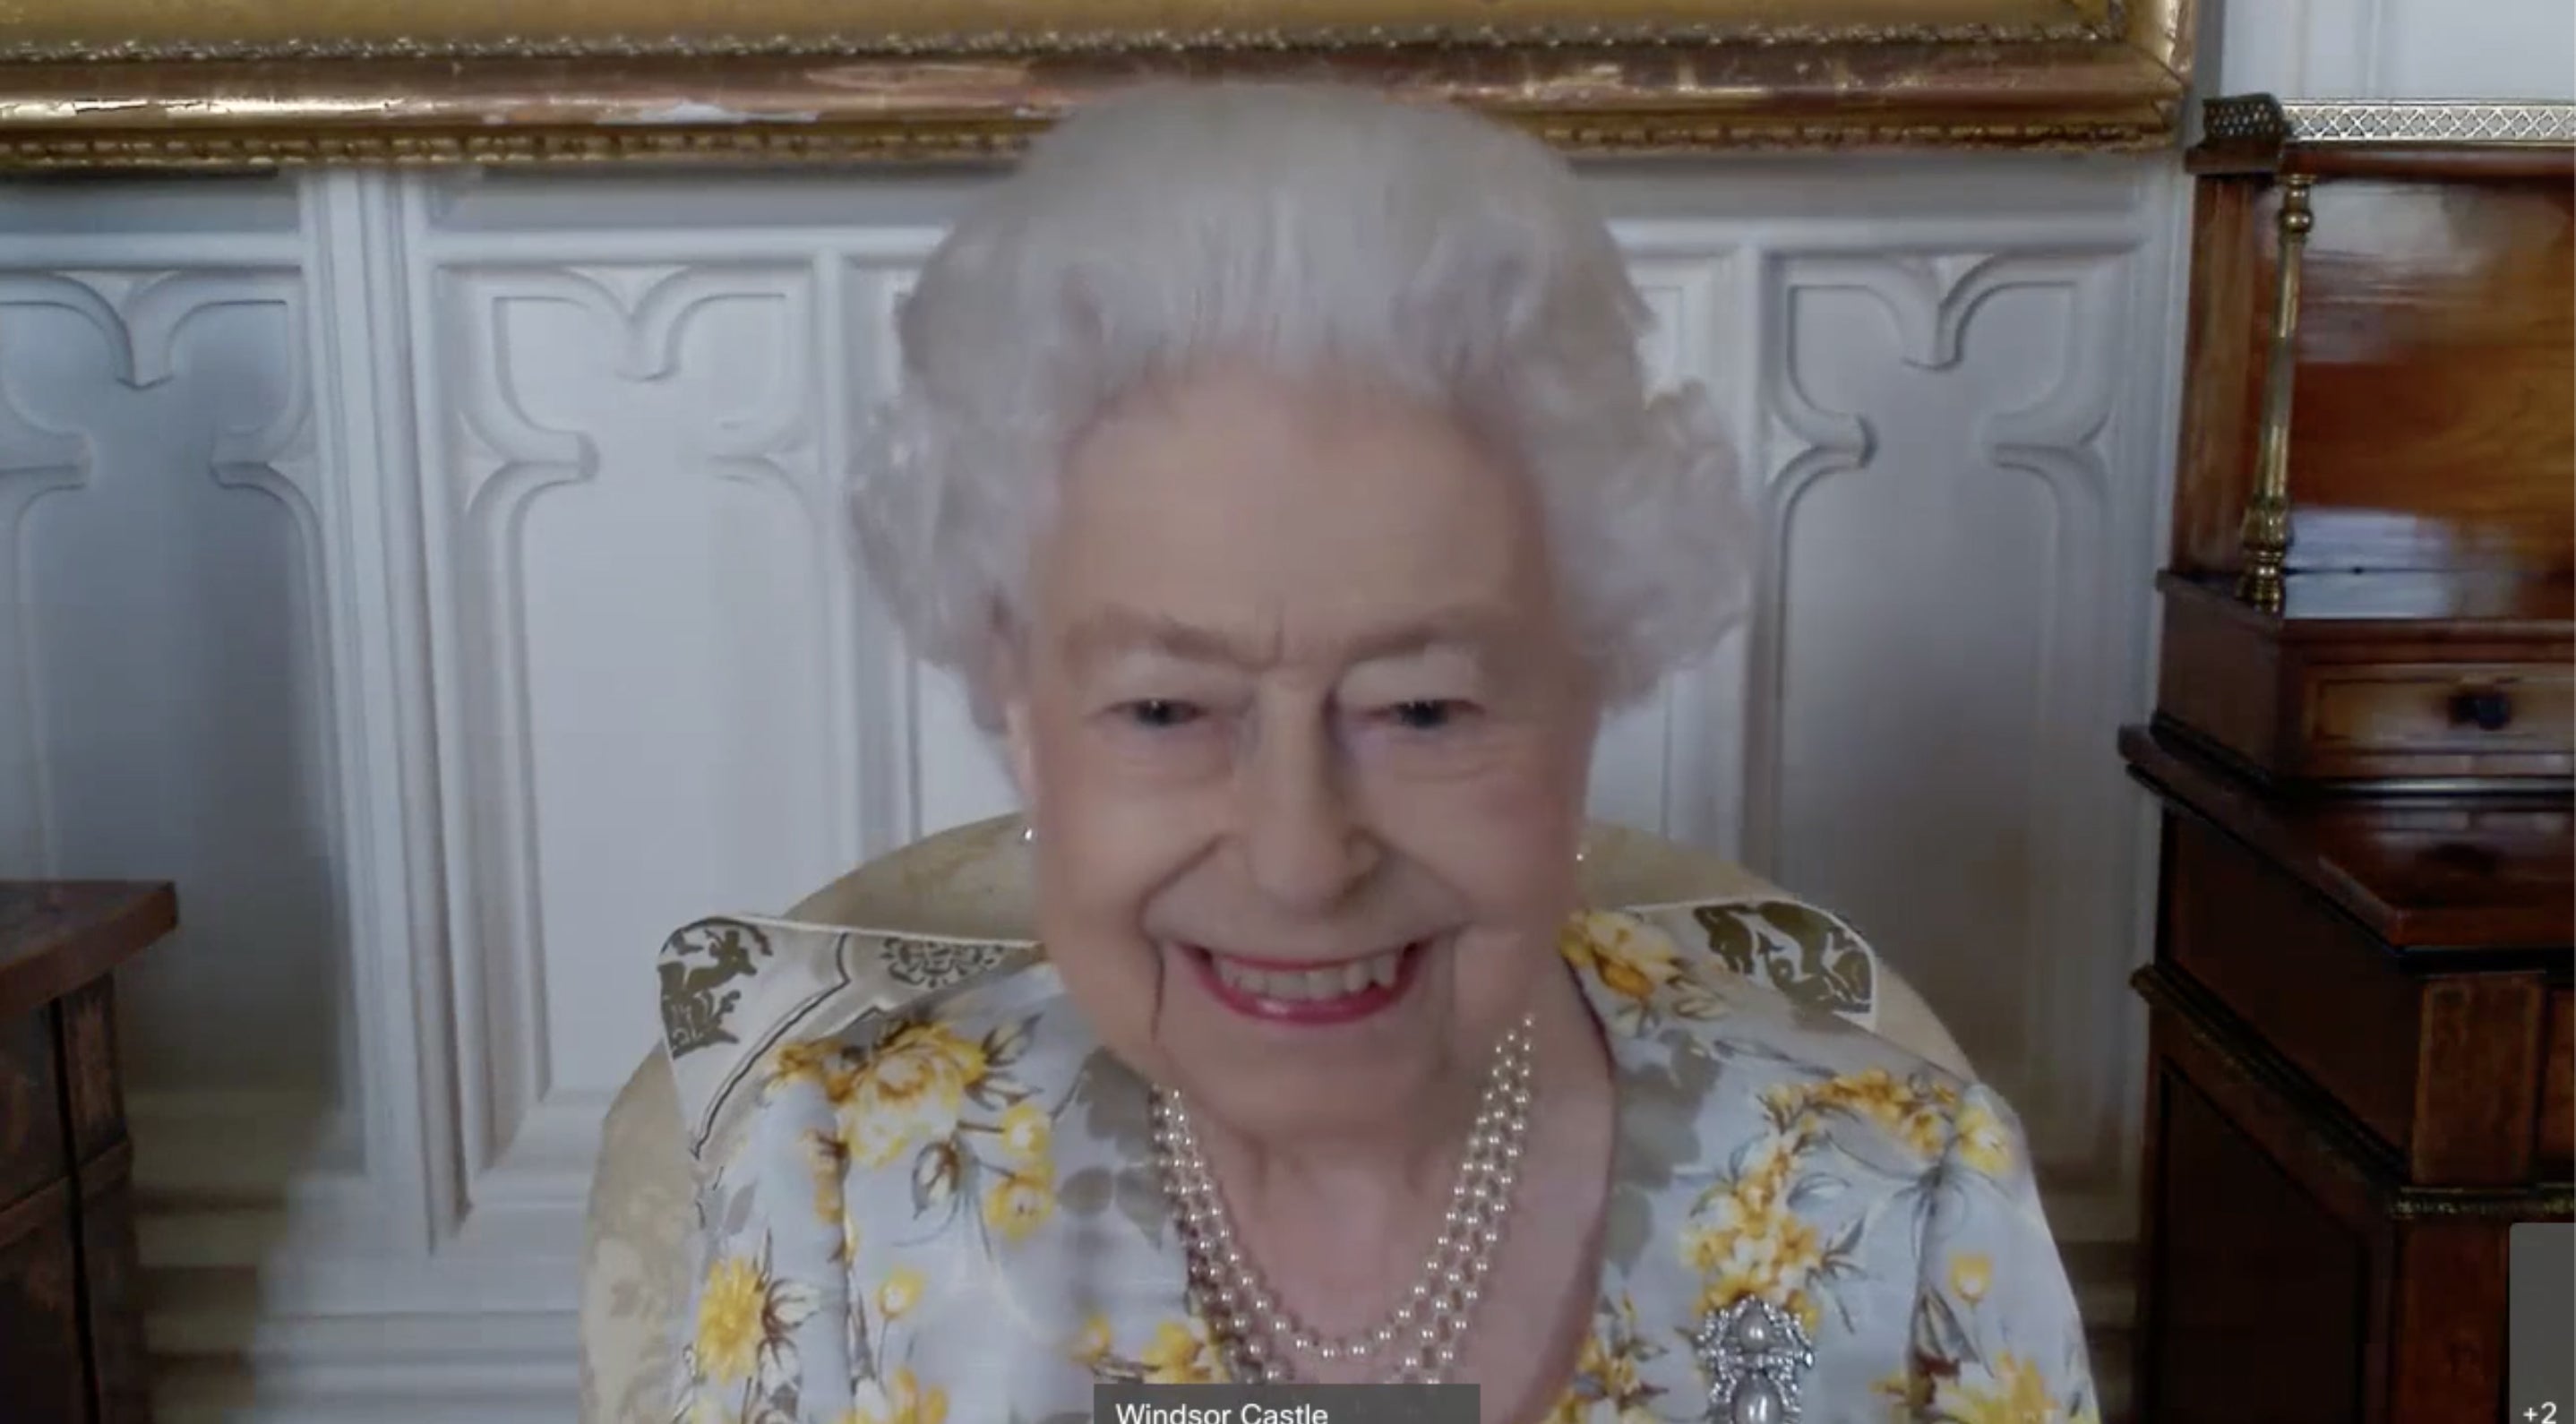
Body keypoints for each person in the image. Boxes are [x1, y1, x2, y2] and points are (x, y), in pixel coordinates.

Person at [657, 81, 2098, 1424]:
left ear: (1592, 689)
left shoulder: (1890, 1193)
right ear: (1023, 720)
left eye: (1423, 708)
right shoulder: (840, 1192)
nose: (1298, 862)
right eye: (1167, 709)